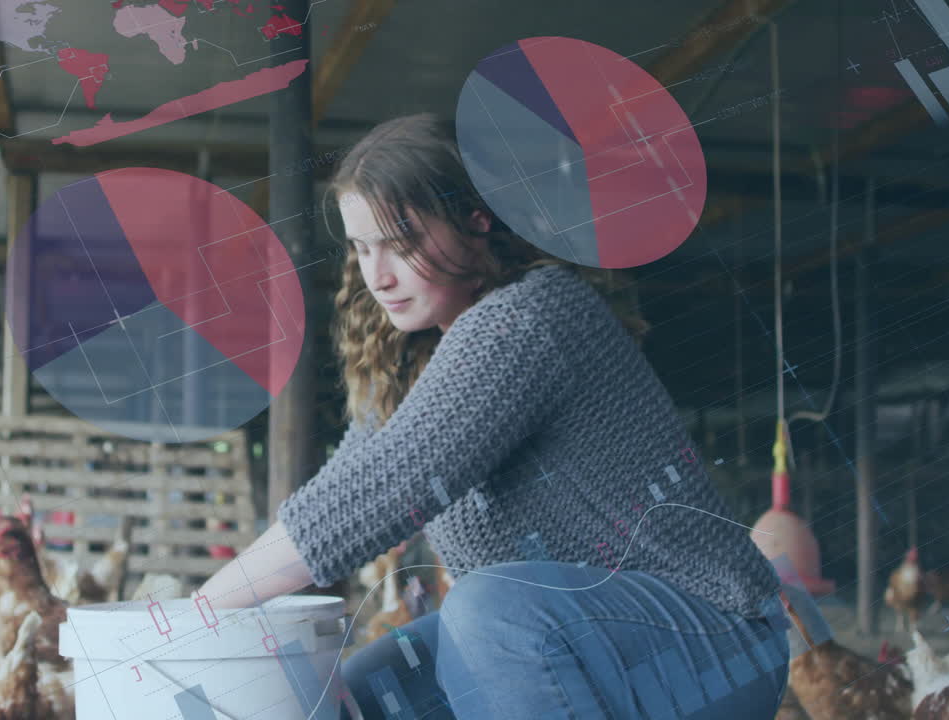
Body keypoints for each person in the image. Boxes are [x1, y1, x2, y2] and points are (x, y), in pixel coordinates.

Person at [197, 113, 791, 719]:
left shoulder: (531, 317)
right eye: (361, 247)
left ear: (476, 221)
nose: (377, 276)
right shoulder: (422, 358)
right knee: (370, 691)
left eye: (400, 242)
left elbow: (381, 489)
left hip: (713, 642)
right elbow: (348, 479)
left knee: (492, 608)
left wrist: (194, 615)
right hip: (586, 634)